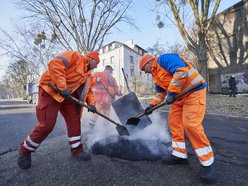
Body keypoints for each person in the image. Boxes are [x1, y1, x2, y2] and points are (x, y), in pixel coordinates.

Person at [139, 53, 216, 184]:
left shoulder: (165, 59)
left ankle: (208, 162)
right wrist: (152, 105)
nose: (144, 72)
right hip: (178, 98)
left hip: (193, 93)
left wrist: (172, 92)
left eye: (143, 69)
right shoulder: (155, 75)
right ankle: (179, 154)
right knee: (174, 122)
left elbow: (181, 71)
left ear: (147, 63)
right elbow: (160, 93)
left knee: (191, 124)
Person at [17, 50, 100, 169]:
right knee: (47, 125)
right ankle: (25, 151)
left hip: (67, 96)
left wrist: (92, 104)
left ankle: (77, 149)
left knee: (74, 121)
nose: (96, 66)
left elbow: (89, 92)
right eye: (96, 63)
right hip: (50, 91)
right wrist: (62, 86)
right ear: (91, 59)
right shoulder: (74, 56)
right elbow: (55, 64)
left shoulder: (89, 76)